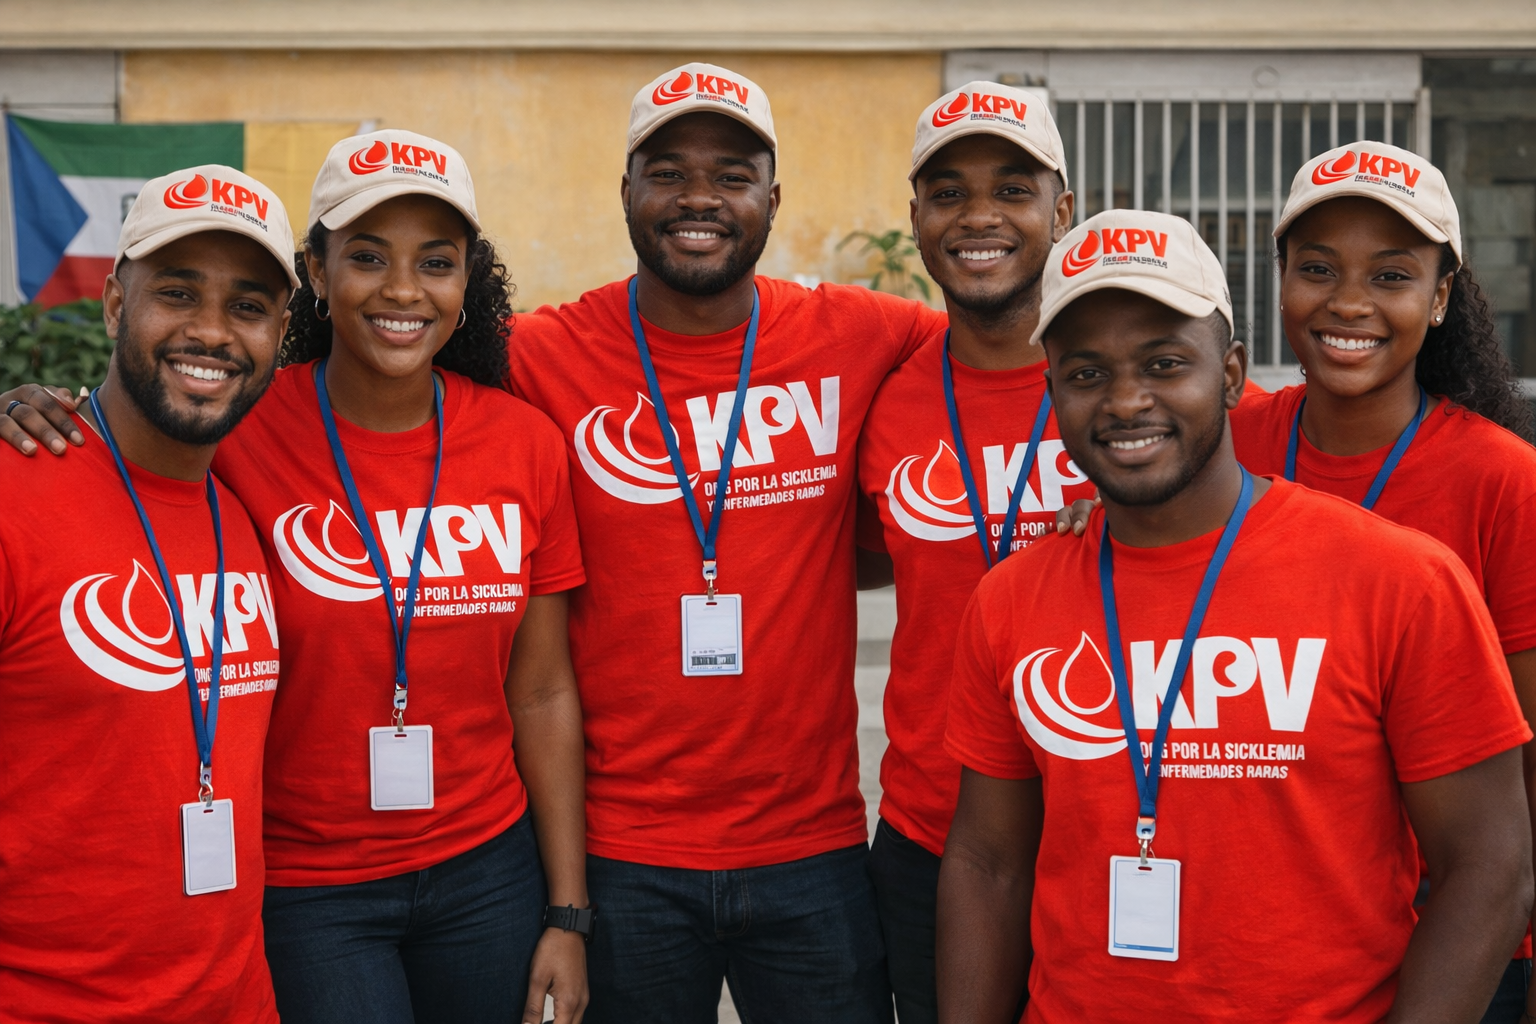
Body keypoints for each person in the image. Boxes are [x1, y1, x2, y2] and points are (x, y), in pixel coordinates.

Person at [0, 131, 592, 1024]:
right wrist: (41, 409)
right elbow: (140, 434)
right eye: (365, 256)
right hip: (307, 886)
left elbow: (542, 690)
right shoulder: (238, 427)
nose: (401, 288)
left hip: (483, 867)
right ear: (315, 275)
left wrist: (568, 910)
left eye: (435, 261)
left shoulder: (523, 443)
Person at [938, 207, 1533, 1023]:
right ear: (1051, 392)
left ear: (1230, 373)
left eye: (1164, 363)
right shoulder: (1011, 598)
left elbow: (1491, 865)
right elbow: (987, 861)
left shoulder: (1403, 581)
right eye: (1086, 374)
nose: (1124, 401)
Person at [503, 63, 945, 1023]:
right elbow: (374, 376)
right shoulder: (538, 354)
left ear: (773, 198)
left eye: (732, 173)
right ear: (625, 191)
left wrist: (1097, 483)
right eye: (667, 170)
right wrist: (100, 427)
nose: (699, 196)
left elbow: (1015, 358)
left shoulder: (868, 332)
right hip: (623, 855)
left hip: (815, 849)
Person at [1227, 142, 1536, 1024]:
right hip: (1289, 936)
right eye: (1317, 269)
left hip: (1461, 938)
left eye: (1392, 275)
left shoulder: (1503, 482)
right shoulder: (1228, 447)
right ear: (1280, 279)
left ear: (1440, 298)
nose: (1349, 303)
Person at [0, 166, 295, 1021]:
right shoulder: (17, 495)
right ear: (115, 306)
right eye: (176, 293)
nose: (211, 332)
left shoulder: (243, 512)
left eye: (247, 307)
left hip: (236, 999)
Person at [853, 81, 1087, 1024]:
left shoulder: (1133, 391)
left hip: (1108, 827)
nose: (979, 216)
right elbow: (869, 556)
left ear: (1062, 211)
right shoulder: (886, 392)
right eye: (948, 192)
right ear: (915, 218)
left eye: (1013, 189)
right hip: (932, 833)